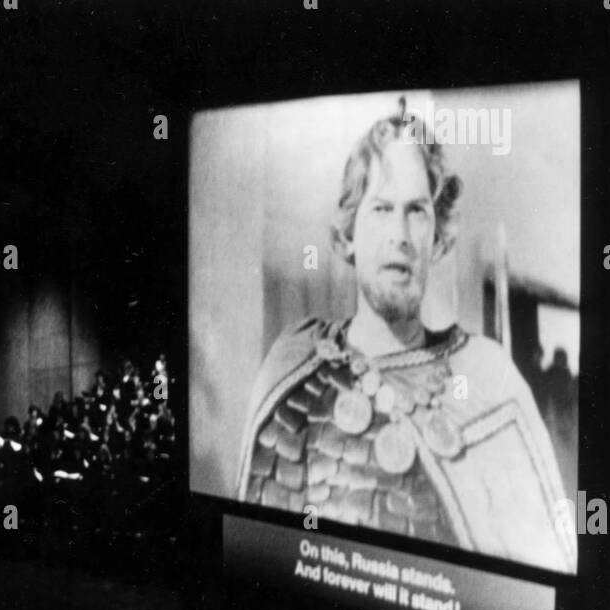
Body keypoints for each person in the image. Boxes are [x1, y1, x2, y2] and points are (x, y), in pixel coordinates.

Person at [237, 106, 576, 574]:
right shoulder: (291, 366)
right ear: (348, 234)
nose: (399, 234)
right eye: (380, 208)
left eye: (416, 210)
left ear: (437, 237)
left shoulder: (490, 377)